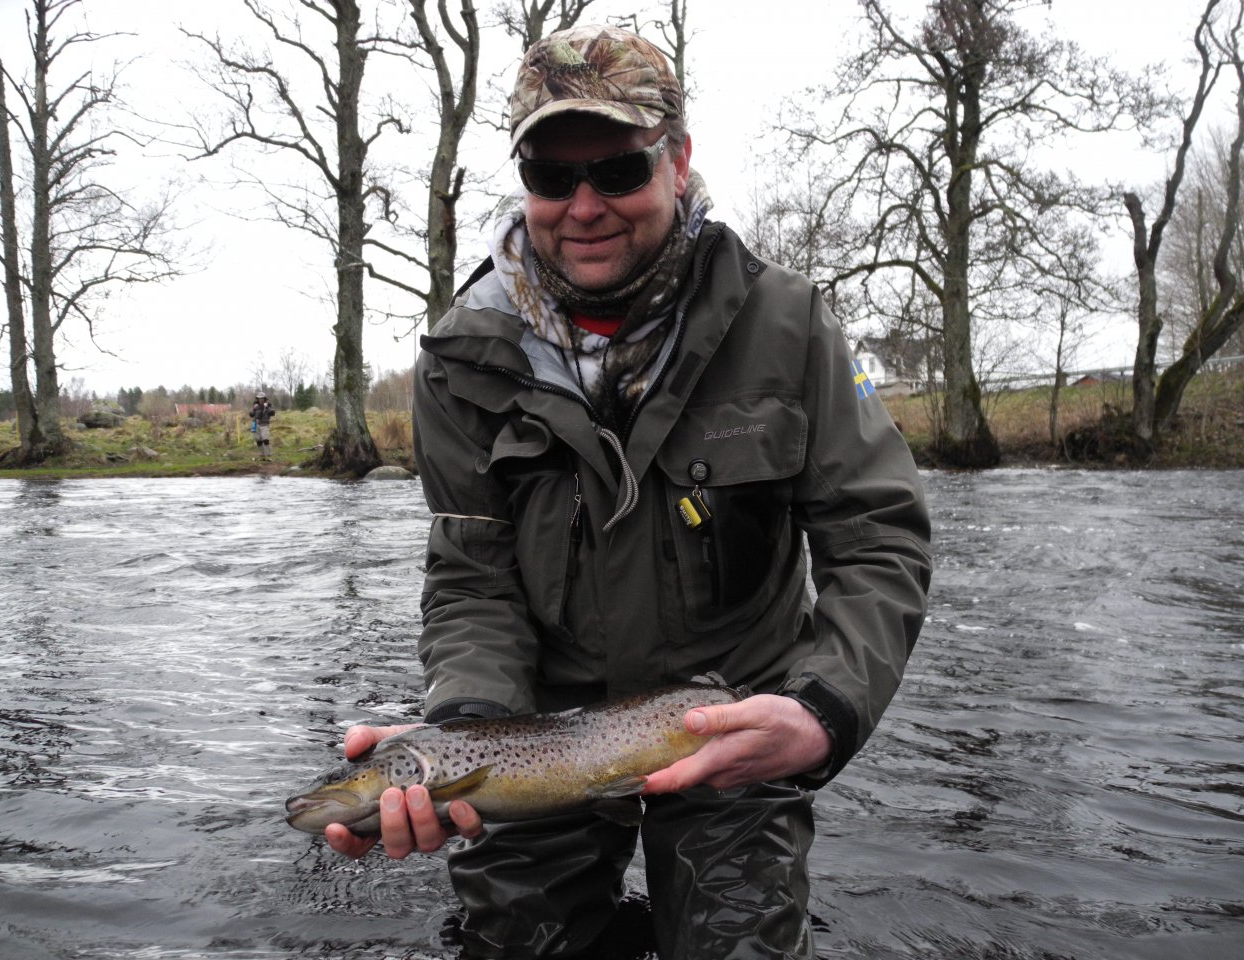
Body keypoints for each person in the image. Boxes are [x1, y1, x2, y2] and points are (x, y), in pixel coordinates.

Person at [326, 24, 932, 959]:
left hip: (734, 719)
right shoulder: (461, 359)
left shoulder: (787, 324)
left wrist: (822, 710)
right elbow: (473, 581)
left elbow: (878, 536)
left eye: (617, 170)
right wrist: (461, 735)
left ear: (677, 162)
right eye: (549, 175)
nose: (583, 207)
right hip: (537, 731)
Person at [249, 391, 275, 460]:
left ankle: (268, 455)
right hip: (255, 424)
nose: (261, 400)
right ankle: (262, 455)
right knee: (258, 440)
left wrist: (267, 407)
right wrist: (254, 408)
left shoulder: (268, 405)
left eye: (262, 398)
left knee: (265, 439)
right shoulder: (255, 406)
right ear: (257, 399)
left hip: (264, 424)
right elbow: (251, 415)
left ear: (264, 399)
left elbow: (273, 413)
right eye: (259, 398)